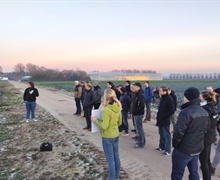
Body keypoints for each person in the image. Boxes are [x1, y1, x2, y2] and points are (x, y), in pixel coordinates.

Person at [171, 87, 209, 180]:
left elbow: (178, 132)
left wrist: (175, 145)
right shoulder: (204, 112)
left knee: (177, 174)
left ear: (188, 98)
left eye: (185, 97)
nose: (183, 98)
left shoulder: (185, 112)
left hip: (184, 150)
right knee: (194, 172)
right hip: (196, 149)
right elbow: (205, 130)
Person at [91, 89, 122, 180]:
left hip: (107, 137)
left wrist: (95, 120)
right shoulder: (118, 106)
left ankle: (111, 178)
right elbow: (119, 122)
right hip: (115, 135)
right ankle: (116, 176)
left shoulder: (106, 110)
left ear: (105, 97)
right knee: (116, 156)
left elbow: (104, 126)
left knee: (110, 159)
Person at [199, 90, 219, 180]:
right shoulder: (214, 107)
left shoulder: (205, 109)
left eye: (200, 96)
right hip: (210, 136)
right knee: (206, 160)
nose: (199, 97)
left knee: (203, 161)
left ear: (204, 97)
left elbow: (204, 125)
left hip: (205, 137)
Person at [155, 86, 174, 155]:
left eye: (161, 91)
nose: (159, 92)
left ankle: (167, 150)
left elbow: (171, 110)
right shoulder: (162, 98)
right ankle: (161, 146)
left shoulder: (169, 99)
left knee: (166, 135)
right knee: (161, 134)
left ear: (165, 91)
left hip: (165, 120)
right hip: (160, 120)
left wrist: (164, 116)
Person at [132, 82, 146, 148]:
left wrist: (135, 111)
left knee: (139, 128)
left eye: (134, 86)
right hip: (136, 113)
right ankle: (142, 141)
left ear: (138, 87)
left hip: (139, 114)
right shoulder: (137, 94)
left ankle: (141, 143)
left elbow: (142, 106)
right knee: (139, 128)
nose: (133, 88)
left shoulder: (140, 95)